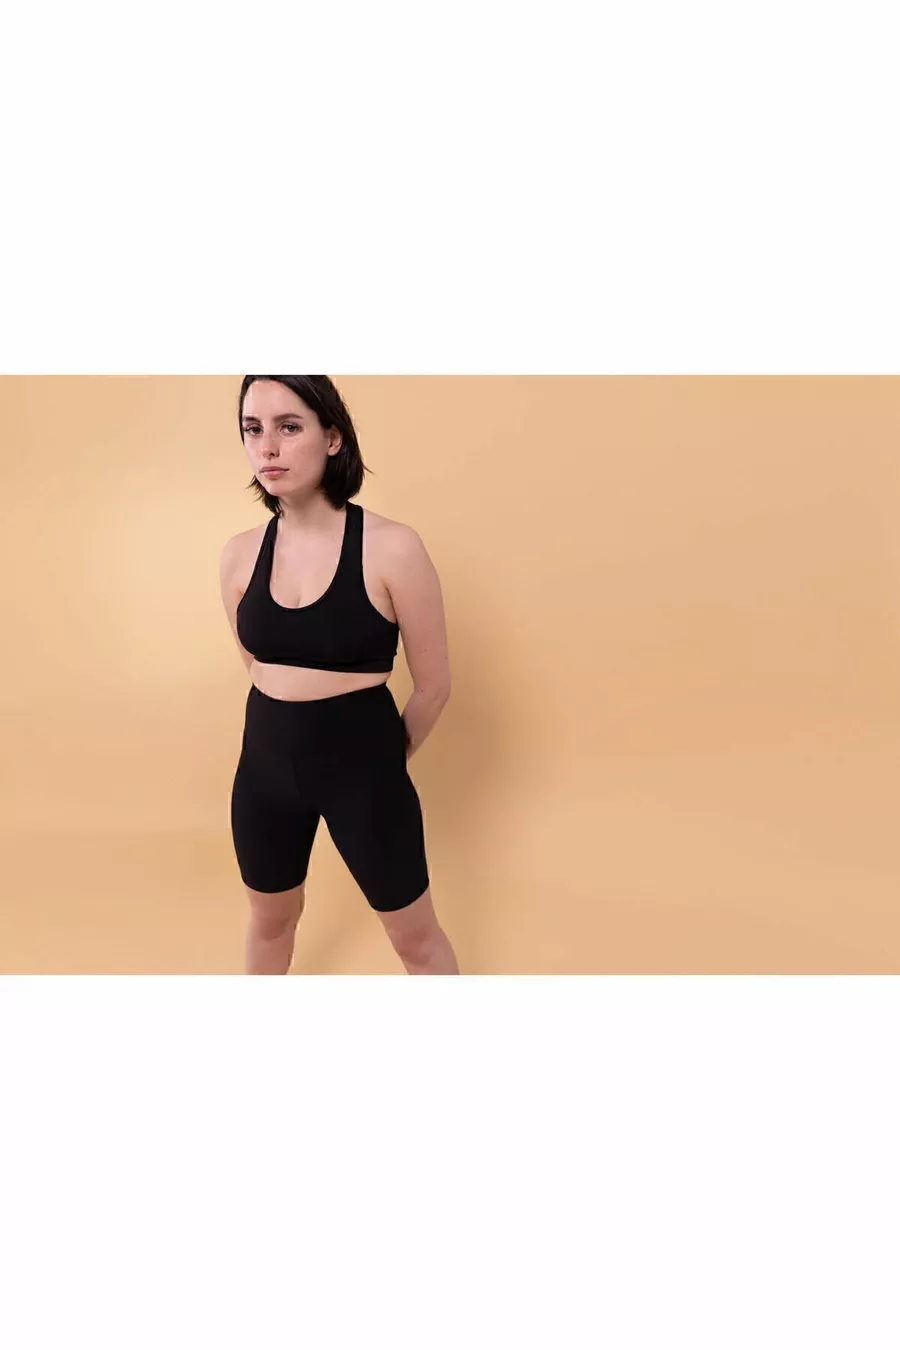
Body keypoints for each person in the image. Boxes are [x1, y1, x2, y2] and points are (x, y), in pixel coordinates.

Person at [219, 375, 459, 975]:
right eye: (253, 429)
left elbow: (433, 687)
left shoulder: (393, 548)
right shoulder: (239, 554)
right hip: (263, 773)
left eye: (288, 427)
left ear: (332, 438)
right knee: (270, 924)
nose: (267, 447)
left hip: (365, 776)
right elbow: (258, 664)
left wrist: (375, 762)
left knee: (416, 942)